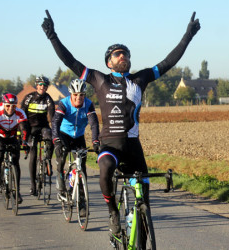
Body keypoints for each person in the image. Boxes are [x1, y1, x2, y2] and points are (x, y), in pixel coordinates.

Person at [41, 10, 200, 234]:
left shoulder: (140, 78)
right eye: (117, 54)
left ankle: (142, 231)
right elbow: (71, 62)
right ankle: (113, 213)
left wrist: (187, 37)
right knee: (105, 169)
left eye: (125, 53)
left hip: (134, 146)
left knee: (144, 201)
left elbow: (167, 63)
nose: (121, 56)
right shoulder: (99, 79)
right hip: (110, 145)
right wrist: (52, 36)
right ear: (108, 62)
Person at [52, 79, 100, 195]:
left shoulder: (88, 105)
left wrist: (95, 141)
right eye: (75, 95)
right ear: (71, 94)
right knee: (62, 156)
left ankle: (82, 197)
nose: (79, 97)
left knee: (82, 166)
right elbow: (55, 122)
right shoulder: (64, 104)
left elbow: (94, 124)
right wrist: (56, 140)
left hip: (79, 136)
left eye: (81, 95)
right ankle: (60, 178)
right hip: (64, 134)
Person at [0, 93, 28, 204]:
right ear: (3, 105)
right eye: (8, 106)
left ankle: (17, 191)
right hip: (0, 136)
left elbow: (24, 129)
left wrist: (24, 142)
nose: (11, 109)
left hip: (12, 137)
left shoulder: (20, 113)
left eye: (13, 106)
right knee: (0, 155)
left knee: (15, 162)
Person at [21, 75, 55, 196]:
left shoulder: (48, 98)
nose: (42, 87)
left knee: (51, 138)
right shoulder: (29, 97)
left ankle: (48, 162)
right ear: (37, 86)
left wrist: (54, 125)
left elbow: (52, 115)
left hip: (43, 126)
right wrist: (23, 133)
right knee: (33, 155)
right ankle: (33, 185)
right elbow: (21, 114)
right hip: (31, 127)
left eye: (44, 85)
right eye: (40, 84)